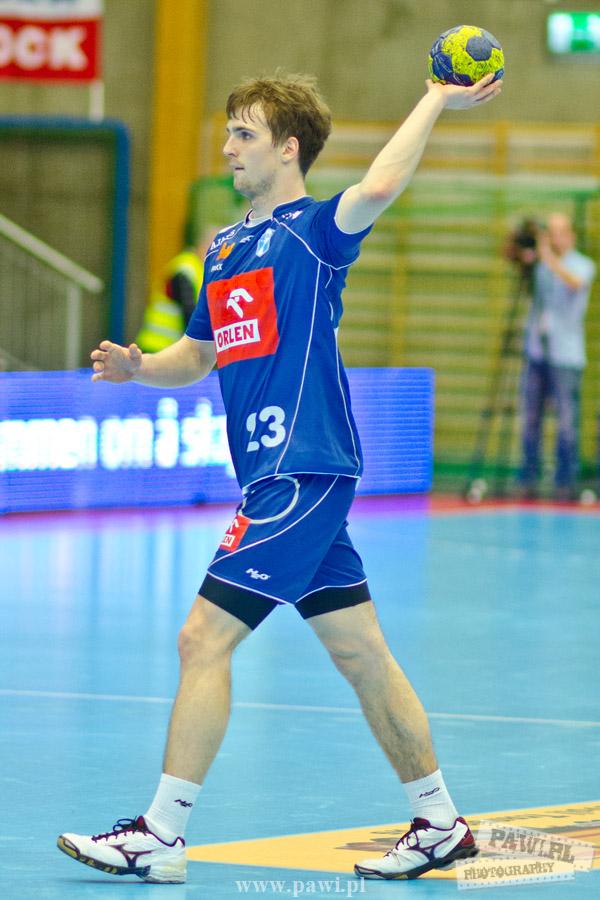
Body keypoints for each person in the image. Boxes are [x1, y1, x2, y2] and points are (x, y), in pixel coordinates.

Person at [57, 70, 501, 884]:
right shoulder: (224, 249)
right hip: (273, 477)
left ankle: (161, 834)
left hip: (303, 470)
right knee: (362, 654)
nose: (228, 147)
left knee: (202, 638)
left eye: (245, 135)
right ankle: (441, 823)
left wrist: (436, 97)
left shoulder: (314, 234)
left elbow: (380, 185)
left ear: (288, 149)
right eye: (229, 132)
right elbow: (198, 356)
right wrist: (138, 366)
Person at [519, 213, 596, 500]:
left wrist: (548, 258)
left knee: (565, 421)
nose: (555, 238)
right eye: (550, 232)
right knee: (530, 419)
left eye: (560, 232)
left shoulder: (583, 265)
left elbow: (574, 283)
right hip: (537, 351)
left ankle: (565, 481)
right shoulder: (540, 265)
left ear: (571, 235)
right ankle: (528, 478)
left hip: (566, 355)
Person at [136, 228, 217, 352]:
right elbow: (189, 313)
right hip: (158, 346)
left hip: (169, 348)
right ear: (205, 245)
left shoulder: (200, 270)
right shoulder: (186, 269)